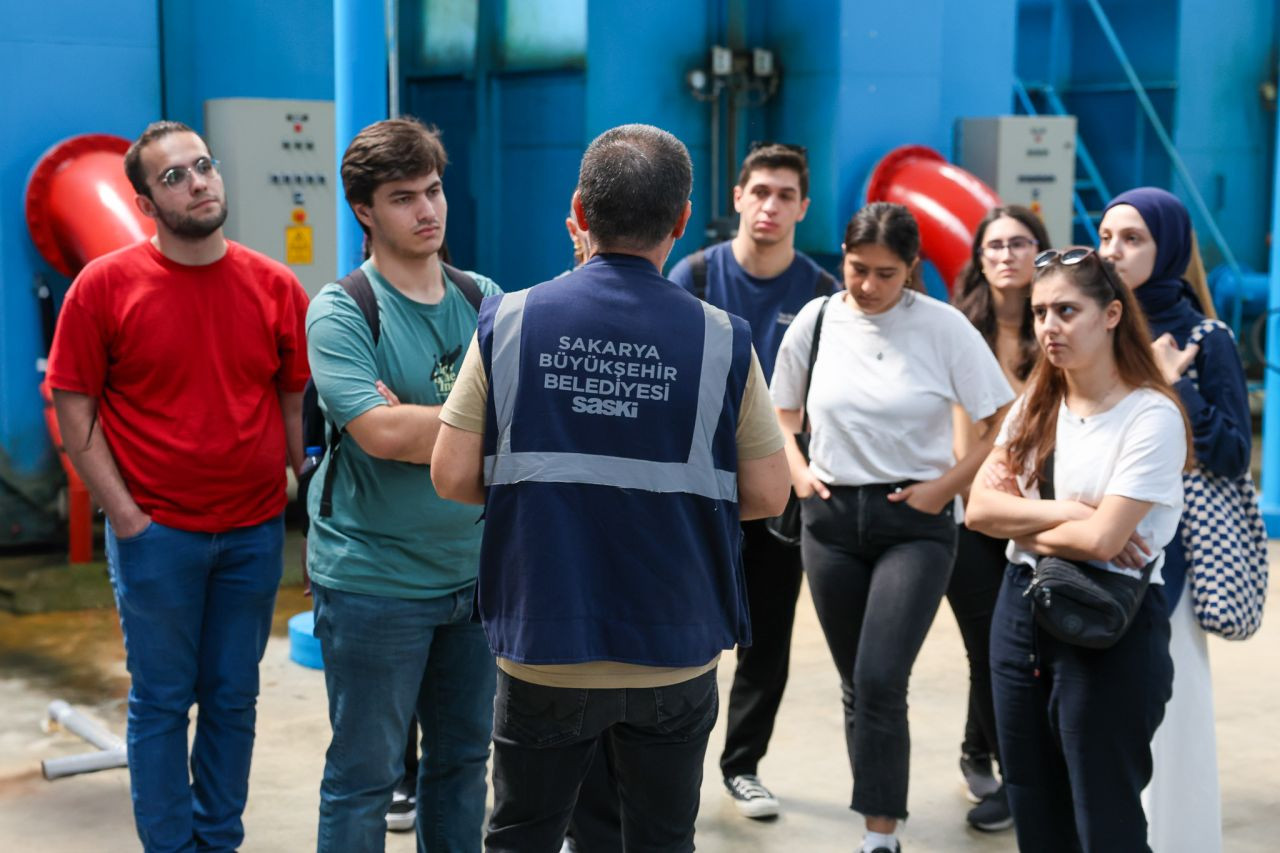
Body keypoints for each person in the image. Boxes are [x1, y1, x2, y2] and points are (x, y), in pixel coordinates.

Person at [431, 122, 791, 852]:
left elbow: (451, 474)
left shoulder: (511, 319)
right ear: (683, 219)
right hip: (676, 643)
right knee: (659, 837)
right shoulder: (721, 336)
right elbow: (768, 494)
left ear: (579, 212)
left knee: (523, 834)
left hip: (544, 641)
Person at [46, 120, 309, 852]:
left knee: (234, 696)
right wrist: (126, 515)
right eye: (174, 177)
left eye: (203, 166)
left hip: (254, 534)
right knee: (162, 702)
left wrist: (305, 504)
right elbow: (74, 407)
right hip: (157, 536)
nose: (197, 182)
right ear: (143, 203)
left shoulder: (275, 285)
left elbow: (292, 401)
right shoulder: (103, 288)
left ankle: (216, 838)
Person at [771, 202, 1014, 853]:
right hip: (828, 521)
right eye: (857, 269)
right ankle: (877, 818)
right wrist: (797, 471)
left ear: (912, 268)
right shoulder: (818, 321)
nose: (869, 286)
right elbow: (781, 410)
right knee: (858, 683)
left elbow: (1001, 419)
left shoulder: (943, 327)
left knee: (881, 677)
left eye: (886, 273)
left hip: (916, 522)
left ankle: (881, 836)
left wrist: (947, 486)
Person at [305, 117, 501, 853]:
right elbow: (379, 435)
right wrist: (469, 422)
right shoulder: (341, 309)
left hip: (473, 578)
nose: (428, 210)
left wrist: (419, 418)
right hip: (373, 582)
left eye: (434, 189)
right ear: (364, 209)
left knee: (462, 765)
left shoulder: (483, 297)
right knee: (363, 774)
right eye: (402, 197)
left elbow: (513, 419)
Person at [966, 246, 1191, 852]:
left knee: (1104, 818)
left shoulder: (1151, 416)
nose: (1049, 327)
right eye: (1040, 313)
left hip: (1109, 621)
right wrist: (1071, 512)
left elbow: (1104, 542)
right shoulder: (1037, 405)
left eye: (1067, 310)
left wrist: (1027, 523)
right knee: (1034, 806)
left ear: (1112, 314)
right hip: (1021, 610)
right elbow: (979, 510)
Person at [666, 142, 834, 820]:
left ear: (803, 207)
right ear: (736, 197)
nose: (770, 206)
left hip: (778, 497)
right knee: (680, 634)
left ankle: (743, 765)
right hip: (698, 495)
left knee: (766, 638)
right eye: (759, 191)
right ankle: (668, 764)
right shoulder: (695, 276)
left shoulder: (822, 293)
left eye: (785, 195)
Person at [1100, 188, 1247, 853]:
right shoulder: (1092, 326)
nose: (1113, 251)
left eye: (1132, 238)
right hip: (1095, 546)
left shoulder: (1204, 338)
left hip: (1176, 556)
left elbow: (1231, 450)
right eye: (1105, 236)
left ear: (1169, 248)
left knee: (1173, 709)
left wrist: (1172, 382)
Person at [946, 205, 1050, 832]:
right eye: (995, 246)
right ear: (979, 260)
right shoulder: (962, 330)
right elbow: (967, 446)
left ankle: (973, 748)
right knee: (993, 651)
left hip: (1044, 513)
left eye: (1020, 243)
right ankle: (1018, 779)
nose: (1007, 255)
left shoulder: (1060, 324)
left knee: (1010, 646)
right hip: (973, 515)